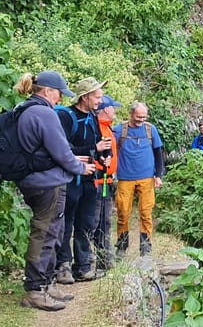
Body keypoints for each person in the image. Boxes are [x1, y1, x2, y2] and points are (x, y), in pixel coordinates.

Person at [13, 71, 96, 312]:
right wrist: (80, 167)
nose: (60, 99)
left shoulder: (25, 109)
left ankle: (46, 284)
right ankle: (36, 290)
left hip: (34, 181)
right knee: (46, 234)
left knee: (51, 232)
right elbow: (60, 151)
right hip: (47, 184)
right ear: (48, 91)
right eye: (59, 93)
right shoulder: (44, 113)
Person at [53, 77, 109, 285]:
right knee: (66, 223)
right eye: (97, 96)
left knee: (86, 223)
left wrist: (103, 156)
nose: (100, 101)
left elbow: (94, 145)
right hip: (70, 179)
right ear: (84, 97)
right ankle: (63, 266)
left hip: (89, 179)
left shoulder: (93, 116)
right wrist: (93, 150)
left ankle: (83, 267)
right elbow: (61, 149)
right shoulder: (65, 117)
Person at [112, 102, 164, 257]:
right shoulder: (120, 130)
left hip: (147, 177)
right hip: (125, 177)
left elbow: (158, 152)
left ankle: (146, 245)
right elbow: (110, 150)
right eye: (138, 117)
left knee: (146, 212)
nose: (141, 119)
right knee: (123, 212)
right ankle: (122, 245)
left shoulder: (150, 129)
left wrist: (159, 175)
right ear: (131, 114)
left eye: (144, 116)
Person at [92, 94, 120, 276]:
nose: (115, 111)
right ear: (105, 110)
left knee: (105, 221)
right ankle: (98, 260)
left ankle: (105, 258)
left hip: (106, 182)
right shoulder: (98, 129)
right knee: (96, 222)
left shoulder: (107, 128)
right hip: (97, 182)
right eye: (113, 108)